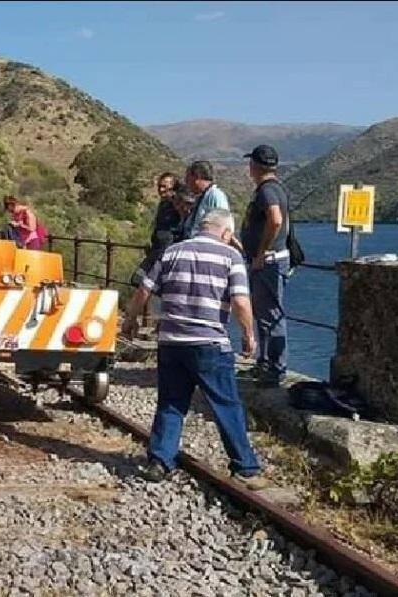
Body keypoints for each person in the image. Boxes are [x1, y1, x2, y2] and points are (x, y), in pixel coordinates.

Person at [121, 208, 267, 490]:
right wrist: (249, 335)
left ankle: (159, 461)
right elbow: (240, 301)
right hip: (209, 343)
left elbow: (143, 290)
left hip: (171, 342)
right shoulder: (231, 256)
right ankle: (245, 468)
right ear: (227, 233)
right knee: (226, 405)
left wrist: (130, 320)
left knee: (171, 403)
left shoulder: (172, 252)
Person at [238, 144, 290, 388]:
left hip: (268, 263)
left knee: (270, 315)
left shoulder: (267, 191)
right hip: (270, 262)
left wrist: (261, 253)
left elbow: (275, 220)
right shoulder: (275, 188)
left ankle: (275, 370)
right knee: (264, 315)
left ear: (255, 166)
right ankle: (266, 363)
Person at [132, 173, 183, 286]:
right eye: (159, 186)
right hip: (156, 250)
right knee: (139, 280)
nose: (161, 189)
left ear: (173, 187)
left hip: (166, 253)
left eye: (164, 186)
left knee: (144, 282)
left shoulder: (178, 204)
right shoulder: (163, 204)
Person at [180, 160, 230, 240]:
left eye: (188, 178)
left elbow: (223, 224)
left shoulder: (215, 195)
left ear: (197, 177)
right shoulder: (202, 197)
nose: (186, 182)